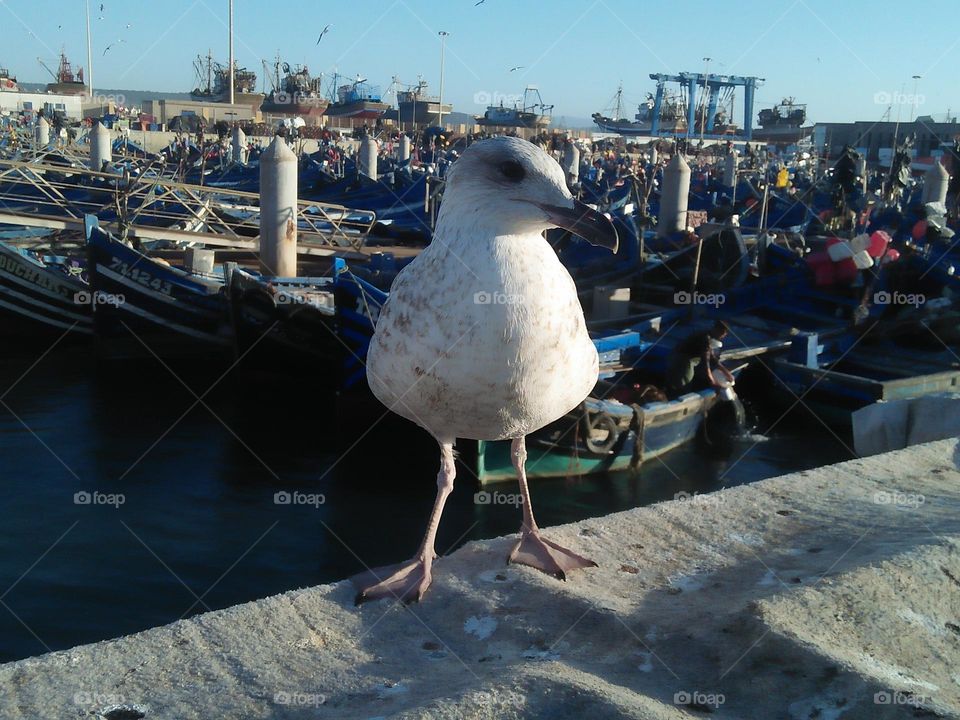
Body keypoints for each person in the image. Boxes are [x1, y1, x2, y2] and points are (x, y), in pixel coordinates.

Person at [665, 320, 734, 397]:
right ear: (717, 330)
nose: (723, 337)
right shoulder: (705, 339)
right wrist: (712, 381)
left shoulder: (709, 336)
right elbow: (706, 363)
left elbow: (712, 358)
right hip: (683, 361)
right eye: (722, 334)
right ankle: (679, 398)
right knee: (684, 383)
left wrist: (727, 372)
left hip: (688, 360)